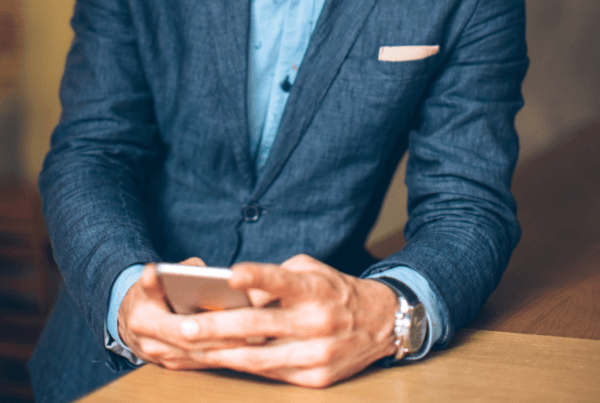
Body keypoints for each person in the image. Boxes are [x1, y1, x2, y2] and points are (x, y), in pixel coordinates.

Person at [28, 0, 528, 401]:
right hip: (102, 372)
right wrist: (123, 293)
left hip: (325, 374)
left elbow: (467, 205)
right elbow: (92, 152)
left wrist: (391, 314)